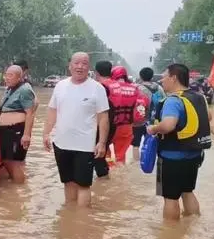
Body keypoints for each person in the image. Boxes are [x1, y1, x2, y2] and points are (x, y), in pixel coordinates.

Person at [43, 52, 109, 208]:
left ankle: (82, 223)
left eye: (84, 63)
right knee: (68, 182)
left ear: (89, 67)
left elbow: (103, 117)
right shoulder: (60, 86)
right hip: (61, 143)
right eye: (77, 63)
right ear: (70, 65)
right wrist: (46, 133)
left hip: (85, 146)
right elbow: (52, 111)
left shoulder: (97, 88)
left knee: (83, 185)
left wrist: (102, 142)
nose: (80, 66)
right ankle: (70, 217)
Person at [147, 63, 211, 220]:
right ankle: (193, 225)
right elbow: (208, 117)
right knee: (187, 192)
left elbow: (168, 125)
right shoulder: (199, 97)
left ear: (173, 78)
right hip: (194, 154)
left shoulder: (173, 101)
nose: (162, 80)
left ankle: (170, 235)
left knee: (170, 198)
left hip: (172, 156)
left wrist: (154, 129)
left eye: (164, 76)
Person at [0, 65, 37, 184]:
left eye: (11, 75)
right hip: (6, 131)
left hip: (16, 131)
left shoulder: (25, 90)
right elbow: (3, 109)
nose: (7, 78)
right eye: (6, 75)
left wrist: (26, 135)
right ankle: (15, 186)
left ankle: (20, 191)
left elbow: (30, 113)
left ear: (20, 77)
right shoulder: (10, 89)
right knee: (6, 160)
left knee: (13, 162)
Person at [106, 66, 142, 165]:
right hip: (126, 127)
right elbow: (140, 108)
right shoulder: (134, 88)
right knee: (120, 157)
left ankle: (109, 173)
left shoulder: (108, 86)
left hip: (109, 126)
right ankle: (120, 175)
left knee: (105, 154)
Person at [133, 67, 166, 160]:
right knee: (151, 142)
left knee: (136, 144)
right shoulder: (159, 88)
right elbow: (163, 101)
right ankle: (150, 161)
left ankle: (136, 165)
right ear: (152, 76)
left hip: (139, 120)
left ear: (140, 76)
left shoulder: (137, 87)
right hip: (154, 120)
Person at [92, 61, 117, 178]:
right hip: (118, 125)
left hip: (99, 129)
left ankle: (104, 179)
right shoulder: (119, 86)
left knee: (98, 157)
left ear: (96, 72)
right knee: (106, 154)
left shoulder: (96, 87)